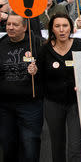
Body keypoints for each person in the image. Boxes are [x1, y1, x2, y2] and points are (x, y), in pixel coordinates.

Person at [37, 13, 81, 162]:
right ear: (51, 29)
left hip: (76, 102)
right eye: (57, 26)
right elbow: (39, 76)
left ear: (70, 28)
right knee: (57, 143)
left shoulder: (79, 45)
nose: (61, 30)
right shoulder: (45, 49)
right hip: (53, 102)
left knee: (75, 144)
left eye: (65, 26)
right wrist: (33, 71)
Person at [0, 13, 43, 162]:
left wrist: (38, 71)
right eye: (8, 24)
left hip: (30, 105)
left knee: (30, 144)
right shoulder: (1, 44)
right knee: (8, 144)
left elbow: (48, 69)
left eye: (15, 25)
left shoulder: (37, 43)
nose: (10, 28)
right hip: (5, 106)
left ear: (24, 27)